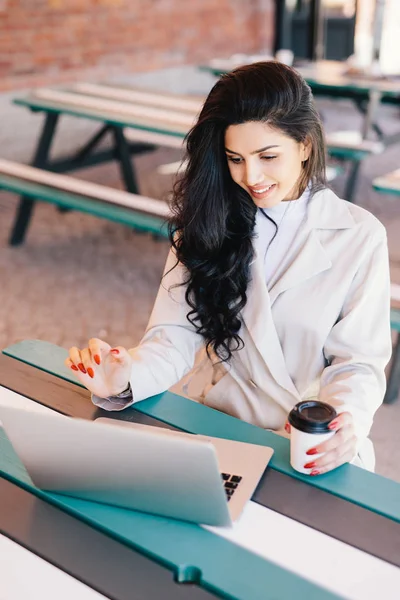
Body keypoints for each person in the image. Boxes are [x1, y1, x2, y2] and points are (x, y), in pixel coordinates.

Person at [66, 61, 392, 474]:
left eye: (267, 156)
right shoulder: (205, 224)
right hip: (220, 427)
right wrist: (123, 377)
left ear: (306, 145)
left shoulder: (360, 236)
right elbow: (173, 338)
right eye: (234, 158)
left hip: (311, 442)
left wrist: (343, 422)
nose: (250, 176)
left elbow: (358, 363)